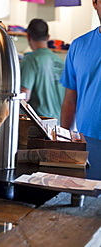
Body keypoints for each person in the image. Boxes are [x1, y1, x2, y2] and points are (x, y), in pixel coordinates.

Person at [61, 0, 101, 179]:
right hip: (87, 143)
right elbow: (70, 100)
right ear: (94, 3)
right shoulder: (79, 46)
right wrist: (62, 142)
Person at [20, 18, 65, 122]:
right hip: (60, 125)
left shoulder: (30, 60)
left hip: (40, 126)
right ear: (48, 37)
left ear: (28, 37)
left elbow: (24, 95)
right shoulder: (60, 61)